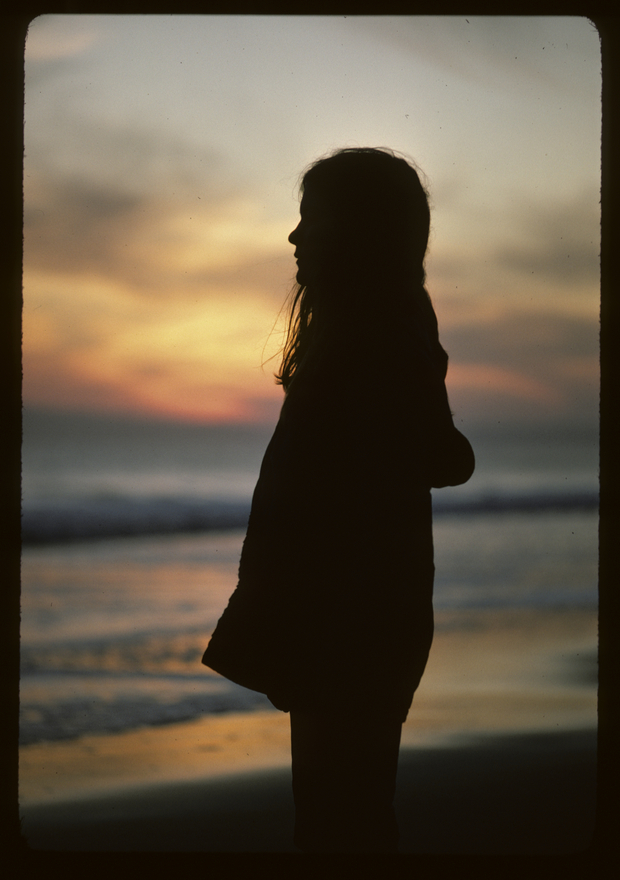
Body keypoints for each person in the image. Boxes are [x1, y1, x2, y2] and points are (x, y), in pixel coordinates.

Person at [202, 147, 475, 852]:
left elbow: (427, 459)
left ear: (358, 231)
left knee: (338, 821)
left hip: (349, 619)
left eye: (311, 219)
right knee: (345, 815)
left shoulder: (374, 333)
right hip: (355, 616)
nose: (295, 236)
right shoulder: (371, 326)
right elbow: (436, 456)